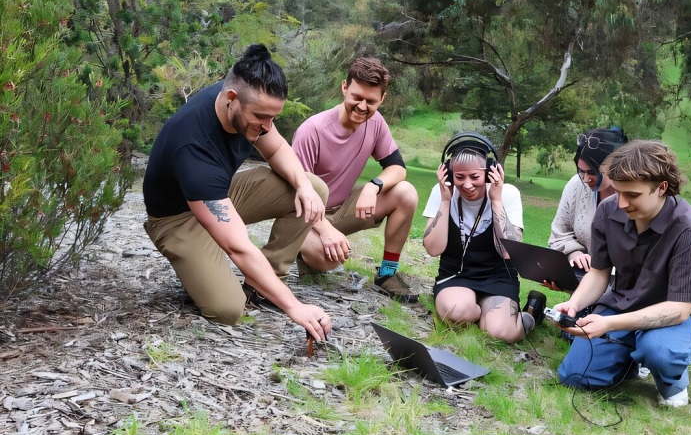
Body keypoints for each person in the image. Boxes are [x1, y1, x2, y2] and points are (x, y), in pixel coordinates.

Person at [143, 44, 331, 341]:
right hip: (177, 219)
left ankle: (264, 284)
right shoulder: (193, 146)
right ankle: (233, 272)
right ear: (231, 99)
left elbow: (278, 149)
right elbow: (238, 247)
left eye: (273, 117)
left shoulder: (245, 99)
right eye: (262, 117)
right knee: (228, 309)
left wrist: (304, 187)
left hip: (218, 194)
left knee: (313, 188)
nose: (268, 126)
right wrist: (294, 307)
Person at [551, 140, 691, 407]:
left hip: (671, 316)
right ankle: (628, 361)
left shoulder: (689, 228)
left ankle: (672, 378)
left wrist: (609, 325)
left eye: (632, 195)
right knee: (575, 377)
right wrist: (574, 304)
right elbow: (599, 273)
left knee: (658, 351)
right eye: (617, 192)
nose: (622, 203)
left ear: (661, 188)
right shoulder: (607, 211)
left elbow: (679, 309)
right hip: (620, 304)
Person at [292, 57, 419, 302]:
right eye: (356, 97)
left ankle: (387, 273)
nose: (362, 107)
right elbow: (296, 192)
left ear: (382, 99)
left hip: (341, 208)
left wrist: (373, 186)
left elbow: (397, 168)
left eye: (371, 101)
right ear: (344, 87)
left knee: (406, 193)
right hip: (303, 216)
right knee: (328, 260)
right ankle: (303, 250)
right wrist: (325, 230)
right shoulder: (312, 130)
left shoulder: (376, 122)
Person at [422, 133, 546, 343]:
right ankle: (480, 311)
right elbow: (433, 249)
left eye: (475, 177)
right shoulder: (442, 191)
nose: (467, 185)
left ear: (490, 172)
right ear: (449, 174)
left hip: (497, 275)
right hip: (455, 274)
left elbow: (508, 252)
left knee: (500, 333)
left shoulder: (508, 194)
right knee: (456, 313)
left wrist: (496, 201)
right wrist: (445, 201)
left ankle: (530, 314)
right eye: (459, 177)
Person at [545, 126, 627, 289]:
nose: (585, 178)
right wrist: (574, 254)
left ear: (615, 165)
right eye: (581, 171)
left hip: (626, 291)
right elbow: (560, 234)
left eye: (592, 172)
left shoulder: (636, 195)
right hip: (586, 287)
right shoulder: (576, 185)